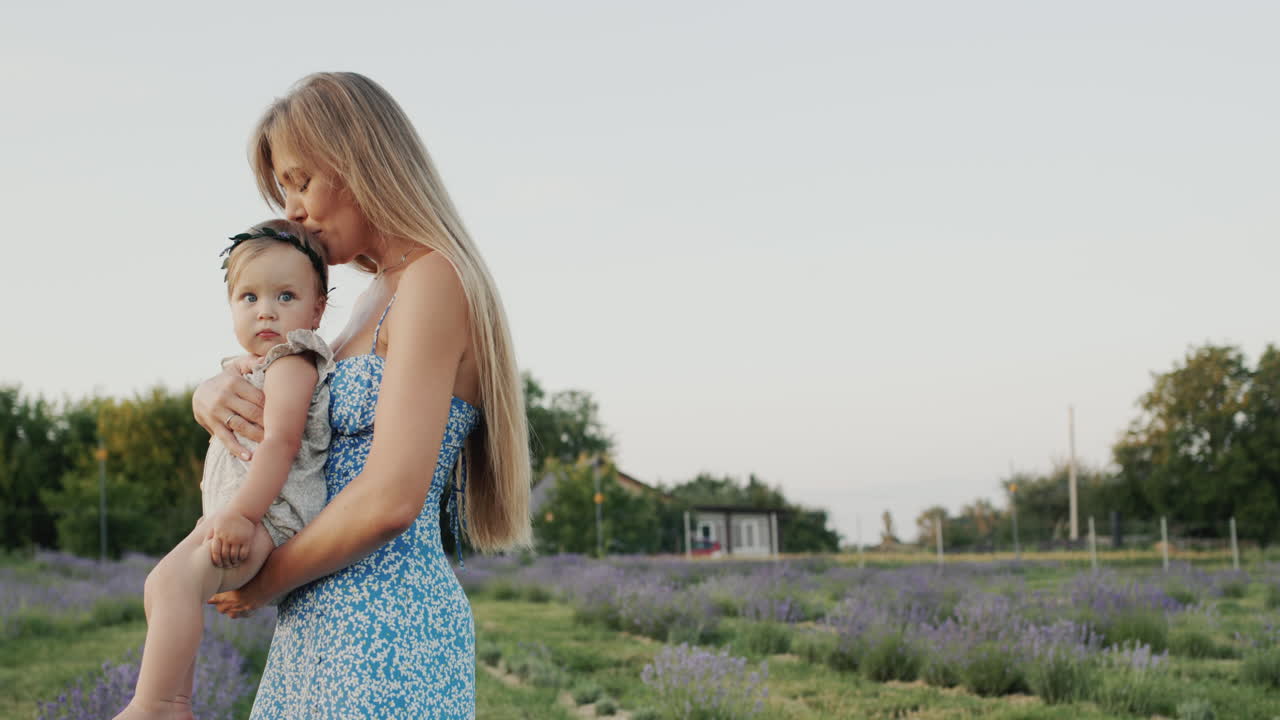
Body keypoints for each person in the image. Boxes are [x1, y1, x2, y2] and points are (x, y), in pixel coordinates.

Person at [194, 72, 532, 719]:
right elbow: (286, 399)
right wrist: (210, 394)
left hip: (387, 624)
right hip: (321, 617)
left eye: (300, 181)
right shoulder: (368, 300)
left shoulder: (432, 279)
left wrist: (262, 584)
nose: (293, 209)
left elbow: (390, 500)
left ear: (359, 162)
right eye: (283, 191)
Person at [115, 219, 334, 720]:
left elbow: (281, 443)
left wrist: (241, 515)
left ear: (317, 309)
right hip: (237, 513)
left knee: (178, 585)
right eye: (249, 298)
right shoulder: (257, 364)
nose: (265, 311)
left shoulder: (292, 362)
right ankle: (175, 704)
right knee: (162, 584)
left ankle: (155, 705)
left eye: (285, 296)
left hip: (266, 518)